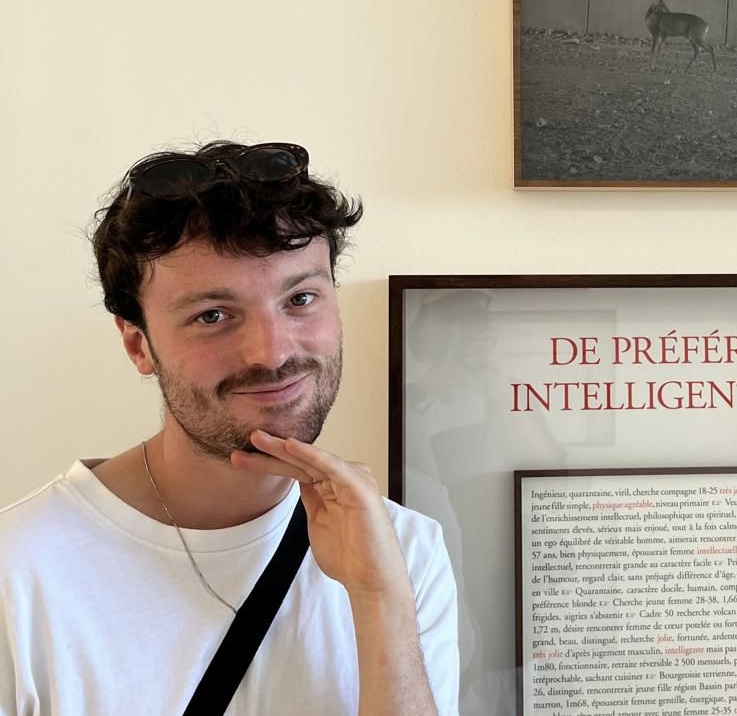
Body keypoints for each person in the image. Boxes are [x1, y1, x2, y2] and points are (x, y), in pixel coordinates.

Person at [0, 140, 459, 715]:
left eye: (301, 298)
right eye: (212, 315)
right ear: (138, 344)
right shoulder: (20, 573)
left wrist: (380, 599)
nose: (272, 352)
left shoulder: (404, 549)